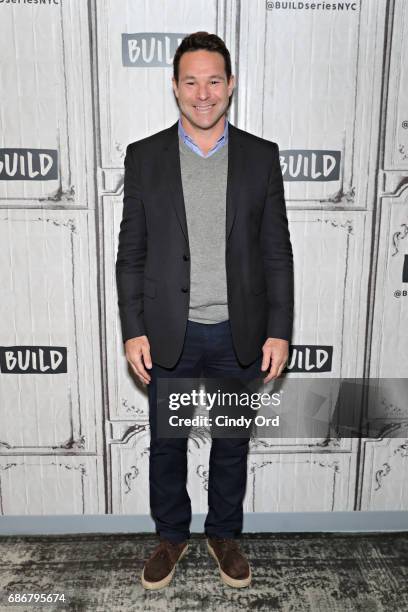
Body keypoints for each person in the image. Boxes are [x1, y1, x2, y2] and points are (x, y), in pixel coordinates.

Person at [116, 31, 294, 590]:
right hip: (172, 333)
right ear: (174, 87)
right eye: (190, 81)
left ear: (231, 85)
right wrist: (132, 330)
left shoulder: (261, 158)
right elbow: (131, 255)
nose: (202, 93)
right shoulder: (144, 158)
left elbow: (276, 251)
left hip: (239, 333)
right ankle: (171, 536)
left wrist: (280, 331)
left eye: (213, 80)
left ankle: (224, 534)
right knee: (168, 444)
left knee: (232, 443)